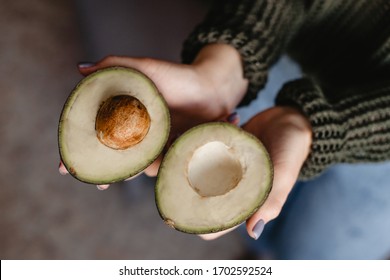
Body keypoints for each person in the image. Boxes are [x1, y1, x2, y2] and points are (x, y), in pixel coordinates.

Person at [60, 0, 390, 259]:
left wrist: (328, 126)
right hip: (288, 45)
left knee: (317, 255)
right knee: (259, 195)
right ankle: (261, 252)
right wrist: (225, 67)